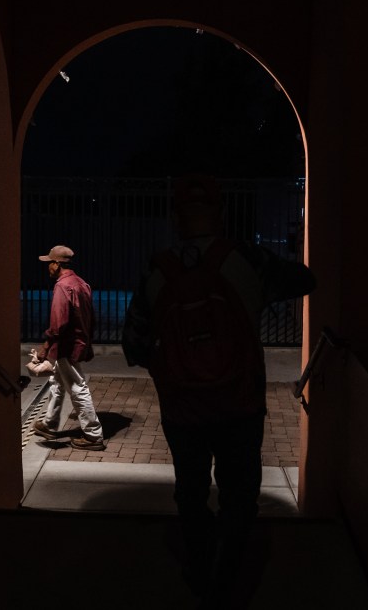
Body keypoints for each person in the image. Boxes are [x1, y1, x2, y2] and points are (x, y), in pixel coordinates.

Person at [123, 174, 316, 604]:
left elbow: (133, 346)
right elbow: (306, 280)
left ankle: (199, 569)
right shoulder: (247, 259)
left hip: (183, 410)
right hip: (239, 405)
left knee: (190, 492)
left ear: (176, 218)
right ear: (221, 214)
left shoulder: (157, 270)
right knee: (239, 494)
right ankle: (227, 581)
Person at [31, 245, 105, 451]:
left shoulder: (63, 286)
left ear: (57, 264)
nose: (47, 268)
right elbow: (91, 317)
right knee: (58, 381)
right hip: (77, 341)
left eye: (49, 263)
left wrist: (46, 346)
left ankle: (93, 434)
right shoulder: (81, 283)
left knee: (77, 386)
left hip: (66, 344)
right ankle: (49, 423)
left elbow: (59, 323)